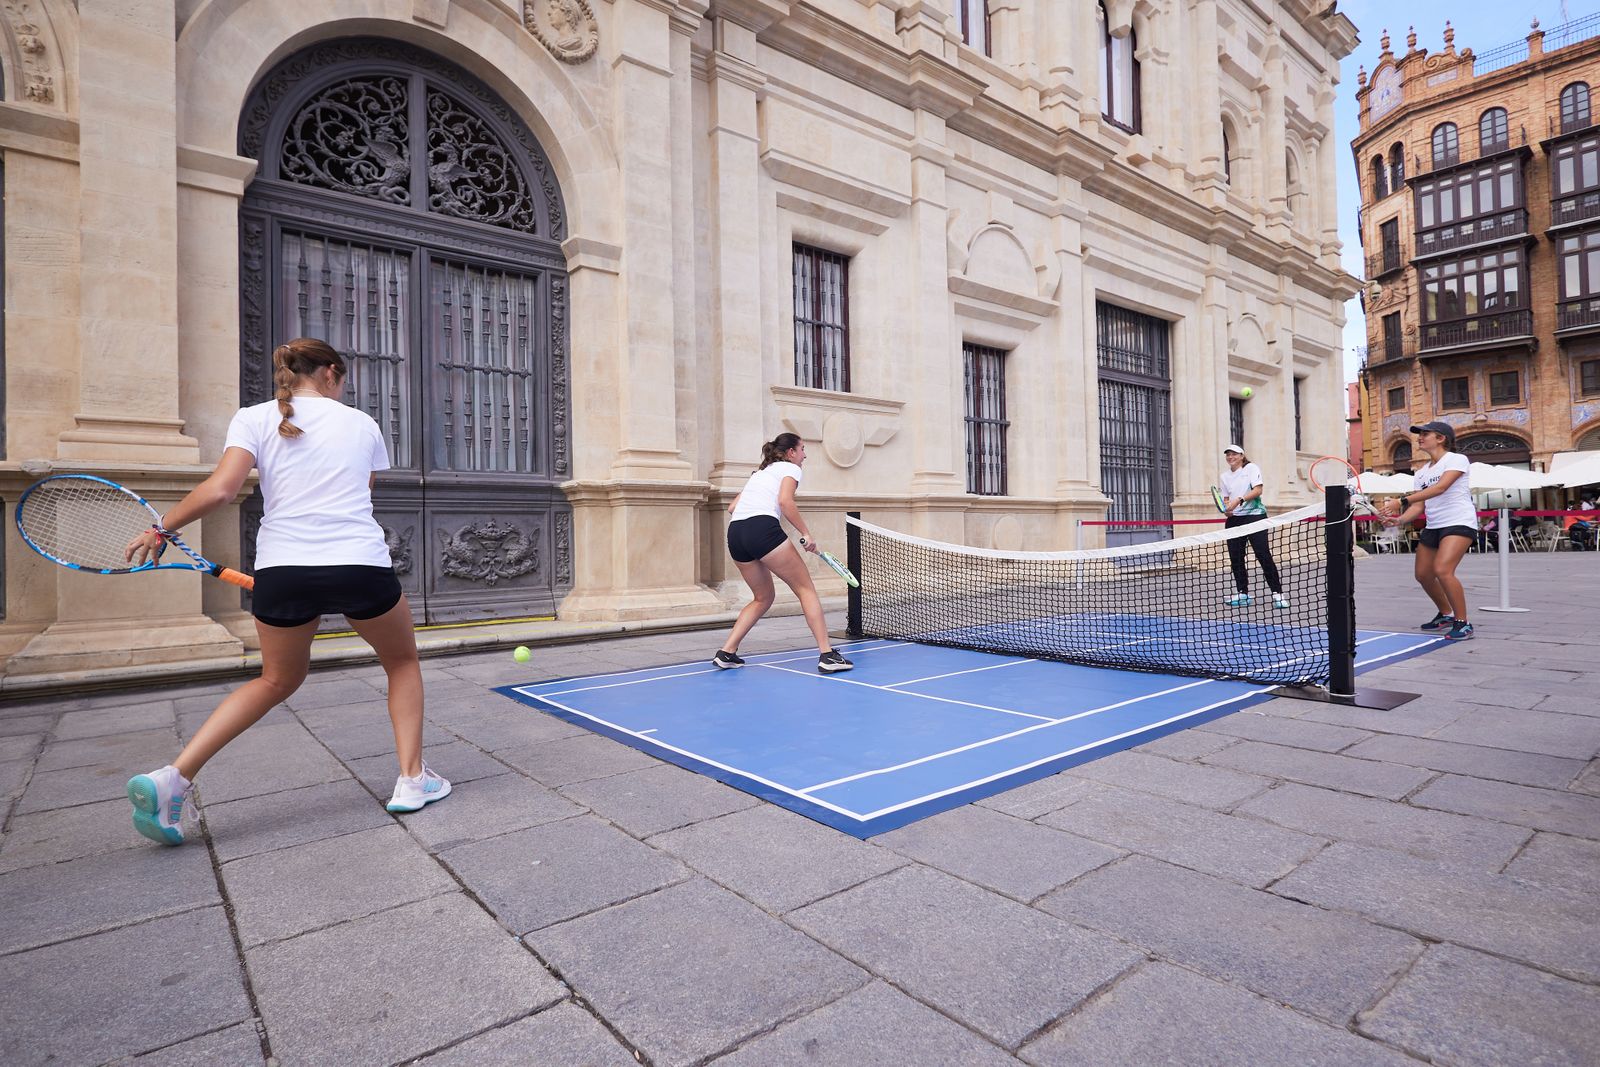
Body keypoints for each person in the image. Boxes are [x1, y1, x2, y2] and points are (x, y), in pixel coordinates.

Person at [123, 338, 449, 846]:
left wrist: (160, 529)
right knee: (402, 663)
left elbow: (222, 489)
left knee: (276, 680)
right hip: (358, 564)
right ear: (331, 374)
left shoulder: (252, 417)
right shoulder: (361, 423)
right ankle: (412, 780)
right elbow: (361, 497)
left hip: (283, 568)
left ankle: (174, 778)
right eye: (342, 378)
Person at [714, 432, 853, 673]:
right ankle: (827, 655)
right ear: (791, 453)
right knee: (805, 589)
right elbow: (785, 502)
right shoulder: (791, 469)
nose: (804, 455)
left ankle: (727, 652)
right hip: (761, 529)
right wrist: (806, 534)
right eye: (802, 450)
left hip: (736, 533)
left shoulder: (759, 475)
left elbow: (732, 507)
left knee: (763, 598)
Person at [1383, 421, 1475, 640]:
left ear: (1441, 438)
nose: (1419, 438)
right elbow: (1419, 507)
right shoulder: (1421, 473)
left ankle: (1463, 623)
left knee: (1443, 570)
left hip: (1458, 521)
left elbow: (1441, 487)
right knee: (1423, 575)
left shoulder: (1456, 459)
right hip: (1433, 525)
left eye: (1425, 434)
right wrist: (1400, 520)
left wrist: (1401, 500)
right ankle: (1446, 613)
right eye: (1419, 435)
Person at [1218, 445, 1289, 609]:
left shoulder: (1251, 468)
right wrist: (1227, 510)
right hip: (1235, 520)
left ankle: (1277, 594)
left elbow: (1258, 490)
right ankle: (1242, 593)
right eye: (1228, 454)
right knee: (1236, 558)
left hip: (1255, 516)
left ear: (1242, 456)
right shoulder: (1224, 476)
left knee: (1263, 554)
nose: (1230, 457)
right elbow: (1226, 499)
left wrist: (1240, 500)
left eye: (1234, 454)